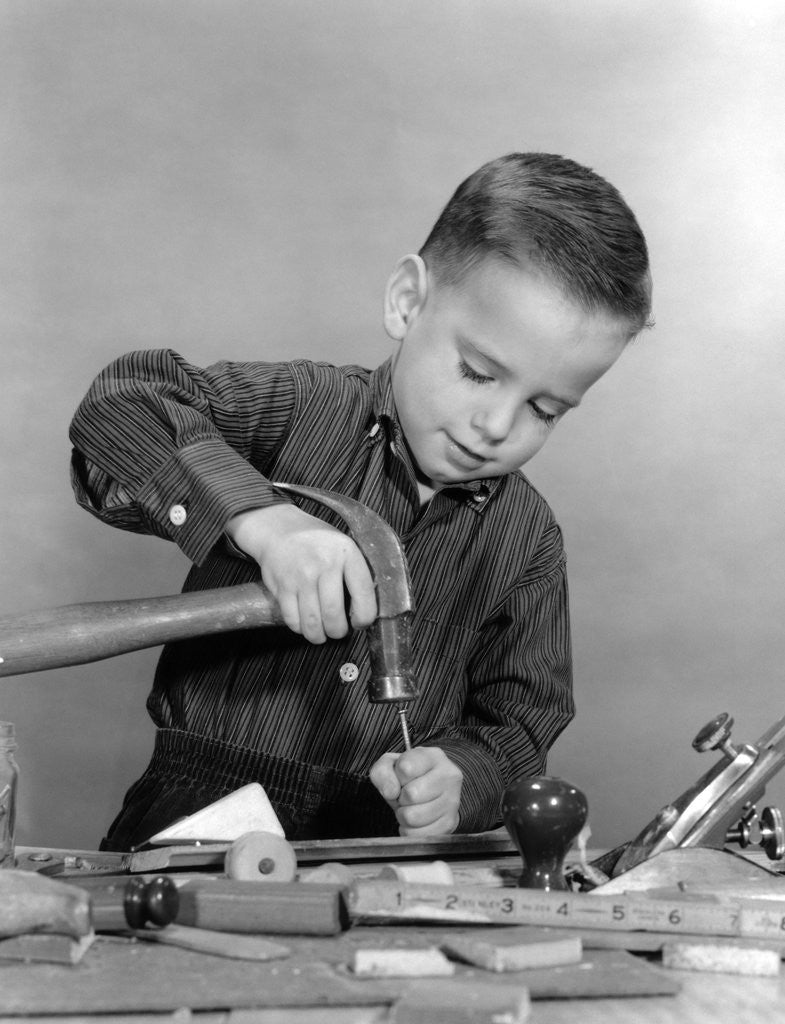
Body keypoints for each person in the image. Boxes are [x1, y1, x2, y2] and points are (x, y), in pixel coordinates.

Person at [69, 152, 652, 850]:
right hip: (196, 817)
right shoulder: (297, 410)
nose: (496, 427)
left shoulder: (527, 539)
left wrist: (460, 780)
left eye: (546, 409)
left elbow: (520, 721)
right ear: (407, 302)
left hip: (377, 847)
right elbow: (123, 402)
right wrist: (261, 520)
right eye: (476, 372)